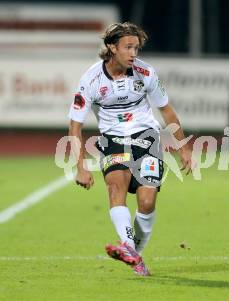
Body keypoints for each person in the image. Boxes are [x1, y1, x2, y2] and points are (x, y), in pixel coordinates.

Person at [68, 22, 193, 277]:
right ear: (112, 47)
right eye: (128, 47)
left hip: (146, 139)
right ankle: (131, 251)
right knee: (116, 187)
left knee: (147, 202)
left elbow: (166, 111)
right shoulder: (91, 79)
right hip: (113, 140)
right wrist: (80, 167)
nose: (134, 53)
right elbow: (75, 127)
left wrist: (183, 148)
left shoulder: (145, 73)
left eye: (136, 47)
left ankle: (134, 251)